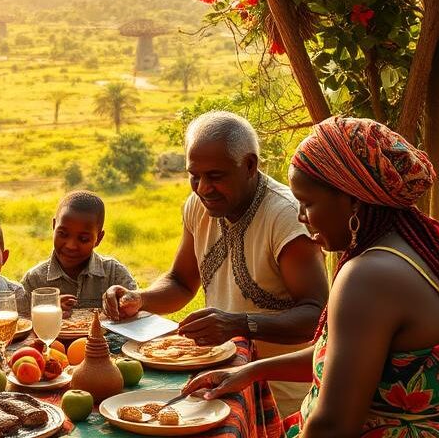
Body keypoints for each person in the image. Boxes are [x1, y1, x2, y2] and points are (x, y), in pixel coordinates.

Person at [184, 117, 439, 436]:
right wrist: (251, 372)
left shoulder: (368, 277)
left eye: (307, 203)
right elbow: (343, 359)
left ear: (353, 200)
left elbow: (332, 425)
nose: (302, 217)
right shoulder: (413, 247)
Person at [103, 111, 329, 415]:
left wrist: (239, 324)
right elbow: (181, 283)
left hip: (284, 397)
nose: (203, 188)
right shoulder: (199, 205)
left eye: (216, 176)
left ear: (249, 165)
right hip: (221, 384)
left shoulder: (285, 218)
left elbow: (317, 316)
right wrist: (140, 299)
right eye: (194, 175)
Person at [22, 190, 137, 315]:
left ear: (98, 239)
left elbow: (137, 313)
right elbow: (21, 324)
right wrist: (46, 313)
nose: (71, 246)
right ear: (54, 226)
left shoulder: (114, 274)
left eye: (83, 239)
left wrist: (126, 306)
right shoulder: (34, 280)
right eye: (63, 234)